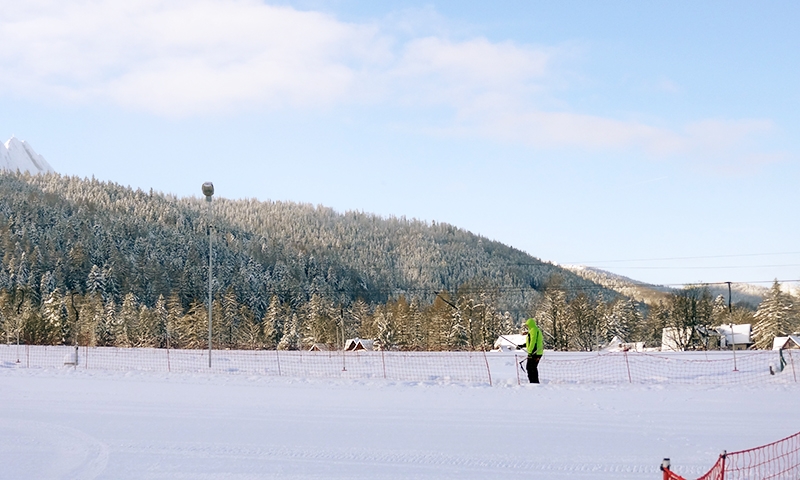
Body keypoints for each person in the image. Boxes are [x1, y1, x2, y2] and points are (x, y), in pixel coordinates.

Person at [524, 318, 543, 383]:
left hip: (535, 352)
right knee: (532, 368)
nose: (527, 327)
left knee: (530, 368)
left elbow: (533, 341)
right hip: (537, 352)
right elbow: (530, 341)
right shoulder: (536, 330)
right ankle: (534, 381)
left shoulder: (533, 330)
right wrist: (523, 345)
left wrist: (530, 352)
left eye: (527, 325)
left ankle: (534, 382)